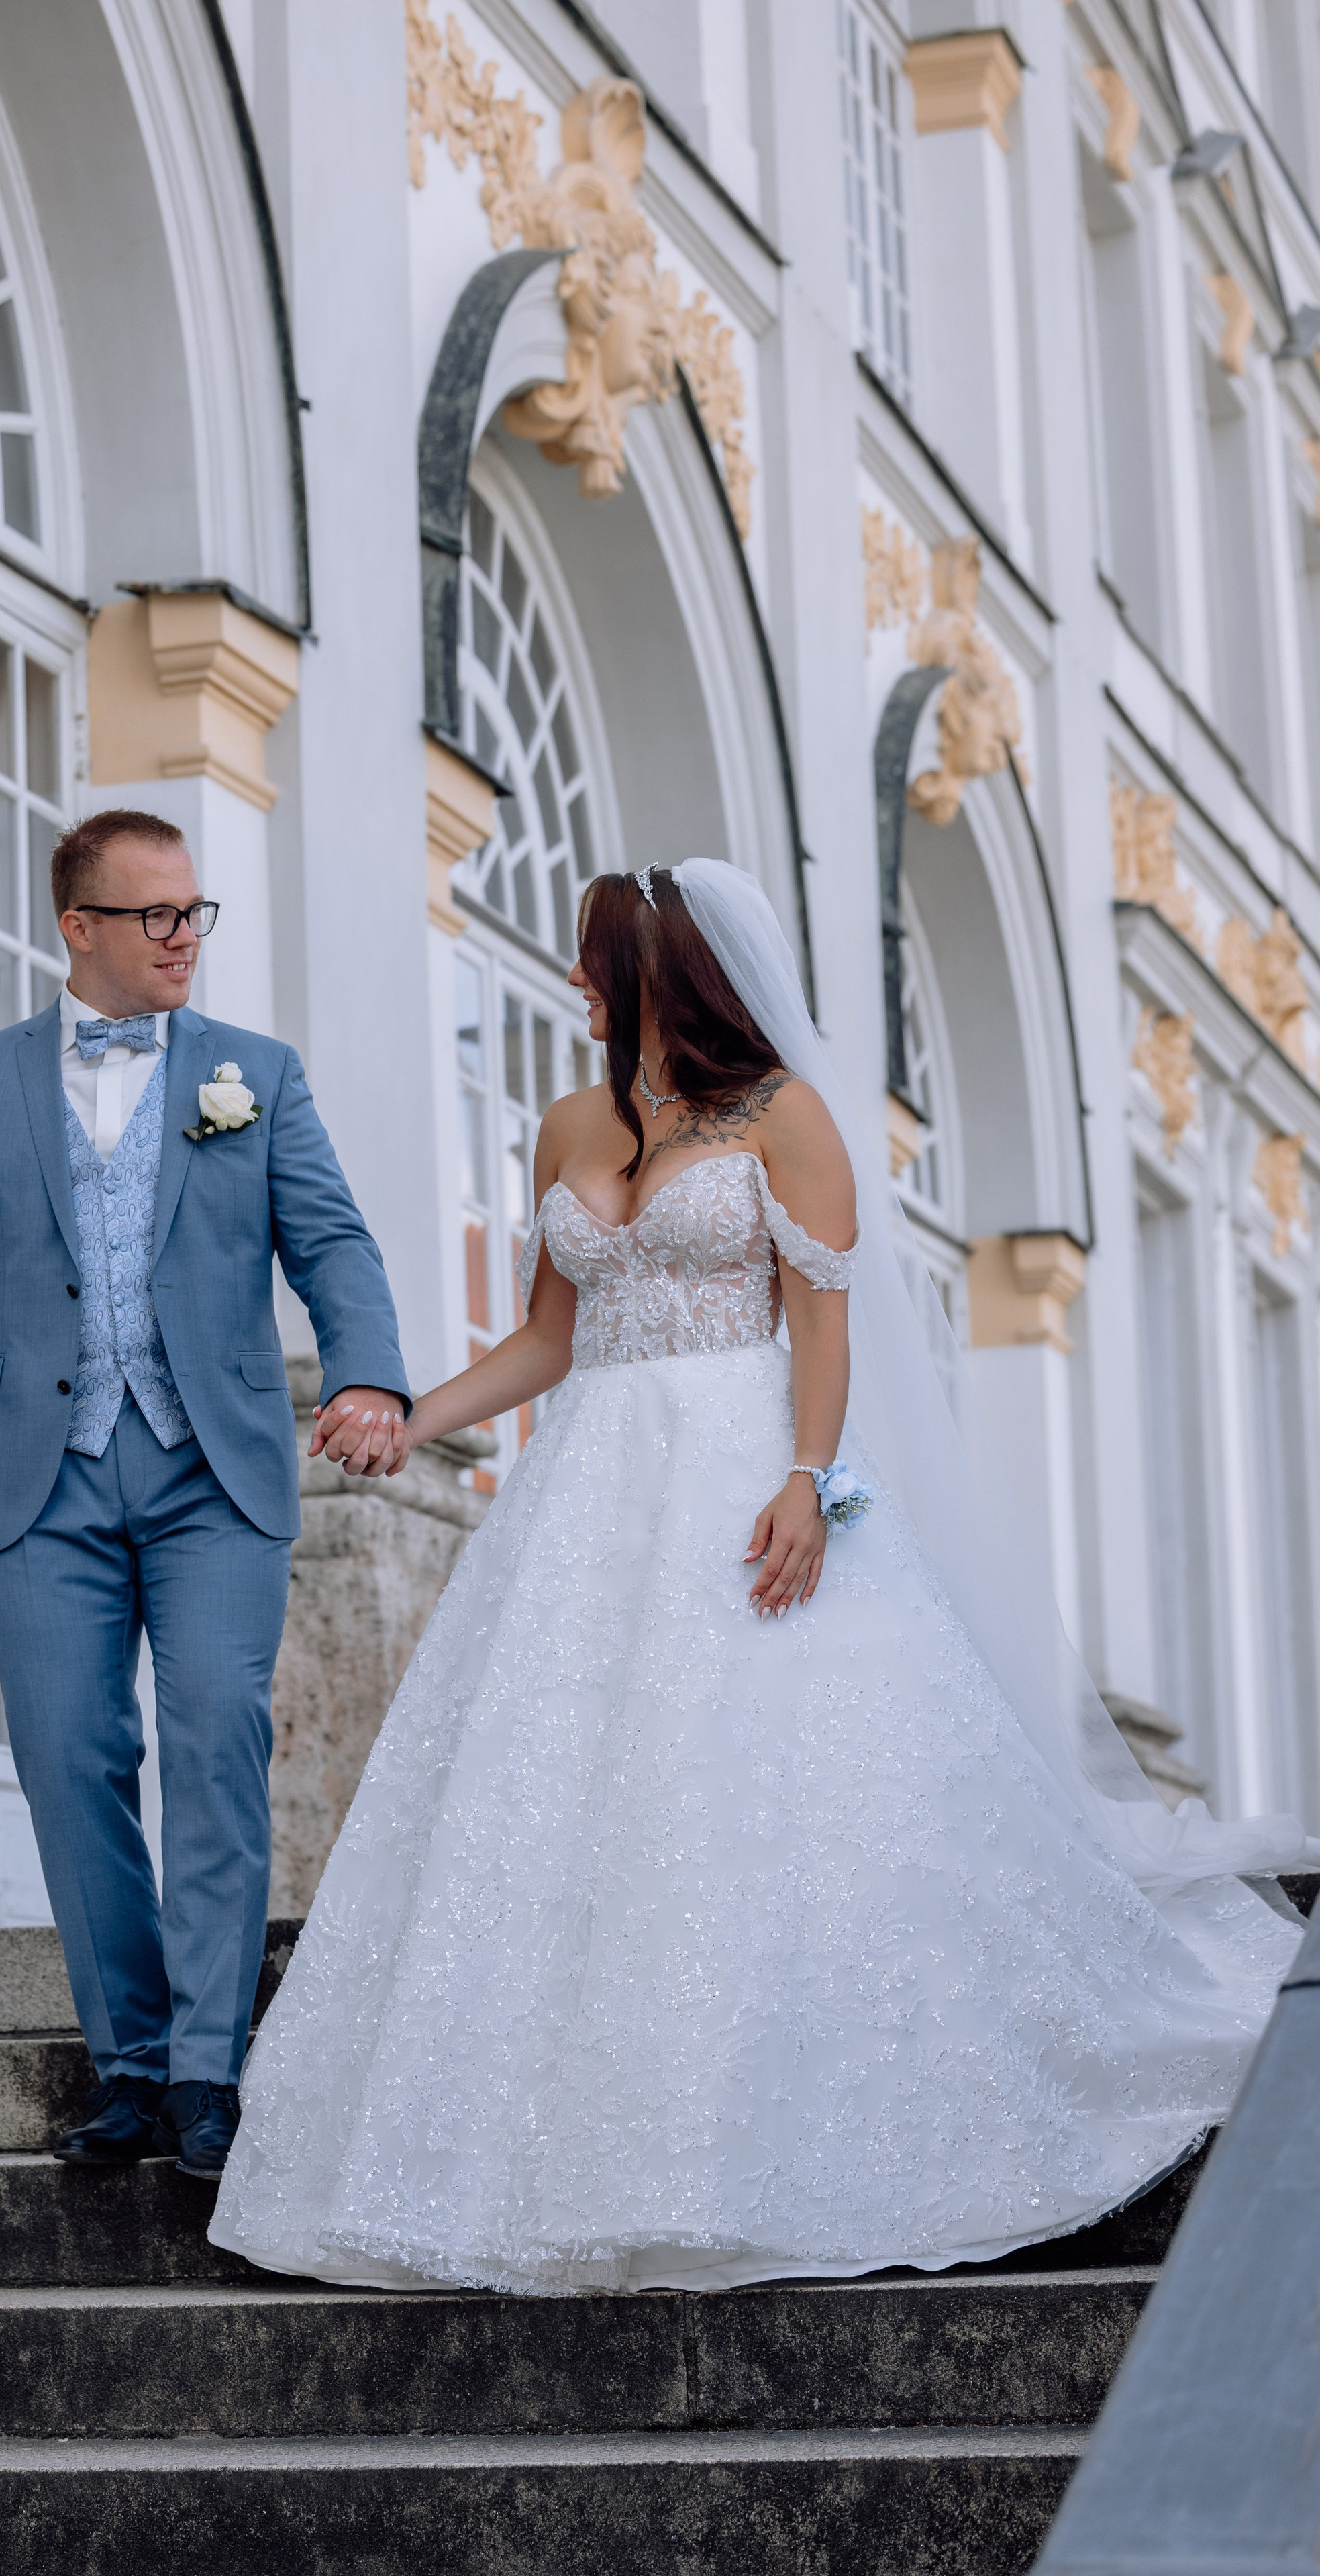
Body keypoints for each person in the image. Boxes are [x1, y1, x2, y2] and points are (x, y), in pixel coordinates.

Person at [211, 858, 1315, 2294]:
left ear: (676, 974)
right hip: (584, 1485)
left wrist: (805, 1479)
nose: (580, 986)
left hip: (733, 1462)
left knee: (739, 1768)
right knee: (553, 1786)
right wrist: (405, 1414)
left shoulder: (786, 1117)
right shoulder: (567, 1123)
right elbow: (548, 1334)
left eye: (604, 964)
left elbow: (822, 1325)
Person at [0, 809, 410, 2178]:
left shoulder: (253, 1075)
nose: (182, 937)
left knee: (219, 1734)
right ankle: (126, 2059)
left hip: (210, 1464)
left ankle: (206, 2070)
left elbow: (333, 1241)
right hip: (36, 1474)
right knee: (69, 1757)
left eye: (193, 912)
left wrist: (373, 1375)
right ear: (79, 927)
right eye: (155, 914)